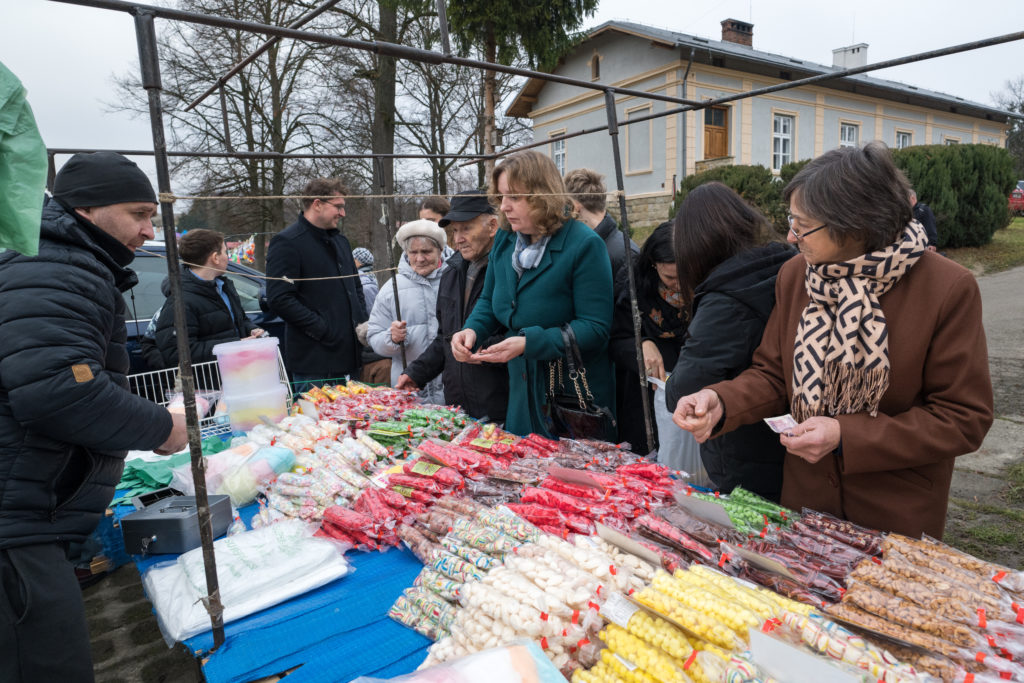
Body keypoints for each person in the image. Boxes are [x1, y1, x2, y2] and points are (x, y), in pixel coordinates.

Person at [672, 143, 993, 538]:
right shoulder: (796, 276)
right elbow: (773, 374)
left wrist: (846, 435)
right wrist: (721, 401)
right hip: (807, 504)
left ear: (855, 226)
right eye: (791, 220)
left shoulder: (947, 288)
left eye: (803, 225)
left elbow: (962, 417)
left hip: (896, 513)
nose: (791, 236)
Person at [0, 151, 188, 682]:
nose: (148, 231)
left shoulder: (61, 261)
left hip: (31, 509)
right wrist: (162, 428)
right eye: (138, 214)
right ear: (85, 209)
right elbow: (58, 389)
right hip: (19, 520)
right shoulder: (58, 267)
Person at [452, 151, 615, 437]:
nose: (504, 206)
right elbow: (490, 300)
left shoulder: (584, 244)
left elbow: (595, 327)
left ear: (542, 195)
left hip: (570, 403)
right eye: (501, 196)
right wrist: (471, 330)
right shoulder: (505, 239)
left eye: (514, 197)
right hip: (521, 396)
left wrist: (529, 343)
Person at [664, 183, 794, 500]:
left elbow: (683, 390)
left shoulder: (725, 300)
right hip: (789, 446)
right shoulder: (781, 264)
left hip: (746, 455)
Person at [397, 191, 510, 422]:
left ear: (492, 226)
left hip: (502, 406)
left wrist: (477, 347)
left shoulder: (510, 271)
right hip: (457, 407)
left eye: (466, 228)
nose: (458, 239)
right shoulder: (451, 273)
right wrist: (416, 373)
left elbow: (519, 336)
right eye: (455, 230)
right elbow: (445, 338)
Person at [266, 178, 367, 392]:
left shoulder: (341, 242)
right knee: (315, 415)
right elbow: (280, 298)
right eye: (338, 207)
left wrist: (360, 322)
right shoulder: (287, 242)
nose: (343, 213)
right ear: (317, 204)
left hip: (350, 357)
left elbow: (355, 287)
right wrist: (322, 329)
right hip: (314, 362)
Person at [564, 168, 639, 445]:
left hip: (613, 382)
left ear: (574, 207)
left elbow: (624, 326)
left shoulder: (622, 253)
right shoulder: (603, 246)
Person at [609, 222, 688, 451]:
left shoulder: (708, 286)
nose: (679, 286)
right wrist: (641, 344)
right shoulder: (633, 286)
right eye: (670, 277)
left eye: (685, 276)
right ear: (653, 264)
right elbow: (614, 339)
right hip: (645, 399)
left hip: (695, 391)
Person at [152, 229, 263, 367]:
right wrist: (235, 346)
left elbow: (241, 320)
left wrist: (251, 329)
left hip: (235, 370)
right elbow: (176, 353)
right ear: (215, 258)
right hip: (209, 378)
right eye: (225, 252)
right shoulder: (181, 301)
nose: (227, 257)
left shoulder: (224, 287)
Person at [368, 219, 448, 404]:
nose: (420, 258)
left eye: (426, 252)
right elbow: (373, 336)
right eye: (413, 252)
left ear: (440, 251)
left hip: (451, 387)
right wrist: (391, 338)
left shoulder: (454, 280)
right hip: (409, 389)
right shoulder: (391, 288)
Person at [352, 246, 379, 313]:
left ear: (360, 262)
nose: (351, 261)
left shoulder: (364, 283)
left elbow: (370, 310)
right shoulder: (370, 276)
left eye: (353, 259)